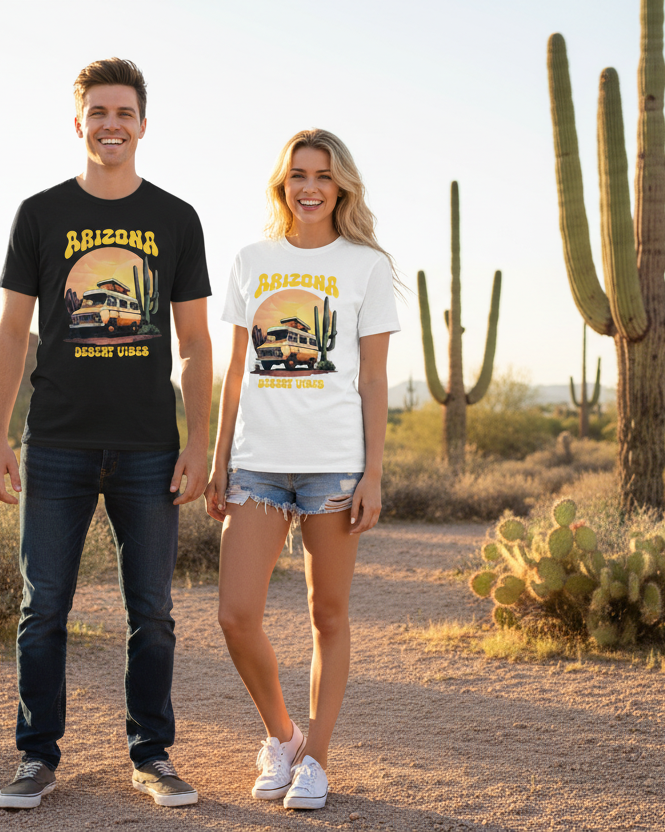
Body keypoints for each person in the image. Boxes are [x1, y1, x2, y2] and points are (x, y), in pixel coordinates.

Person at [0, 57, 212, 810]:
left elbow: (197, 344)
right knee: (42, 607)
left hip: (150, 446)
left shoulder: (176, 218)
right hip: (56, 441)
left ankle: (152, 755)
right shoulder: (40, 213)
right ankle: (35, 759)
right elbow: (13, 332)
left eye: (124, 112)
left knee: (151, 610)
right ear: (77, 122)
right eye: (98, 112)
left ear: (143, 124)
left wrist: (199, 441)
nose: (111, 124)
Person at [205, 128, 399, 810]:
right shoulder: (251, 259)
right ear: (281, 185)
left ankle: (316, 758)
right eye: (297, 175)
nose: (309, 186)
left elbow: (373, 379)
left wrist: (373, 474)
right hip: (256, 465)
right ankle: (282, 735)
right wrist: (218, 458)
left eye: (321, 175)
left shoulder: (366, 266)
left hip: (333, 469)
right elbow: (235, 369)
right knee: (236, 614)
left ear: (340, 185)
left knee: (329, 615)